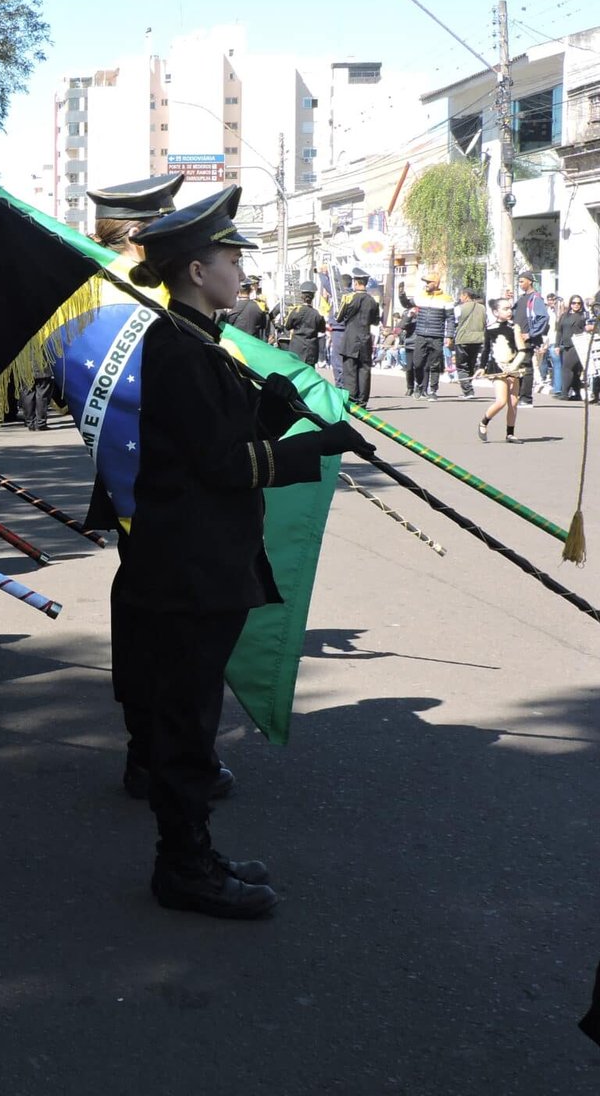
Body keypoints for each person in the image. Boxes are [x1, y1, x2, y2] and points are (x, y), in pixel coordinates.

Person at [111, 186, 374, 919]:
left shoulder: (199, 344)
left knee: (191, 714)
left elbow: (216, 439)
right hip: (189, 566)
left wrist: (269, 409)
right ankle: (183, 866)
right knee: (186, 721)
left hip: (201, 560)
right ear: (197, 269)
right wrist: (308, 448)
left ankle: (193, 852)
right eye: (230, 256)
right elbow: (222, 466)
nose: (239, 267)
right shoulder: (180, 349)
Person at [477, 298, 528, 443]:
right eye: (505, 309)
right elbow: (486, 350)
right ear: (495, 312)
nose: (509, 311)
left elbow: (522, 350)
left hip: (513, 367)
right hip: (496, 368)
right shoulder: (490, 328)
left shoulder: (514, 327)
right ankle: (484, 422)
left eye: (510, 308)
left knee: (513, 402)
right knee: (501, 401)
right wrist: (481, 368)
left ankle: (510, 433)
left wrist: (513, 367)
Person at [336, 271, 382, 407]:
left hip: (351, 338)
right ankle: (363, 401)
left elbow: (339, 317)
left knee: (350, 369)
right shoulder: (373, 301)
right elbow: (375, 321)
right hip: (365, 338)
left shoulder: (349, 298)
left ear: (355, 283)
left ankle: (352, 399)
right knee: (364, 370)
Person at [401, 276, 450, 400]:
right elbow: (407, 304)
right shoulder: (421, 296)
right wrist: (402, 294)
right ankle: (420, 385)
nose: (426, 284)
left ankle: (433, 390)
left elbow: (450, 318)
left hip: (437, 335)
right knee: (417, 364)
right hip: (421, 335)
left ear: (436, 283)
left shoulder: (446, 299)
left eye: (428, 282)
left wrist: (449, 335)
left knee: (434, 365)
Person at [513, 272, 547, 406]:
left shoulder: (535, 298)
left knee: (526, 367)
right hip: (516, 337)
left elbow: (543, 317)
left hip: (526, 339)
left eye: (522, 281)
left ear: (530, 282)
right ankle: (519, 394)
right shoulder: (522, 298)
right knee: (518, 367)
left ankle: (526, 398)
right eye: (519, 282)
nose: (520, 284)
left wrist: (531, 333)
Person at [448, 288, 486, 397]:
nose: (460, 298)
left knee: (461, 365)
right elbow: (485, 322)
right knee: (471, 364)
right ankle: (468, 386)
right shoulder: (483, 308)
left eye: (461, 295)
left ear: (465, 296)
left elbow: (453, 321)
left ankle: (468, 390)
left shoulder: (459, 308)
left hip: (463, 339)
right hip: (478, 339)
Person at [554, 296, 588, 401]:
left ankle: (564, 393)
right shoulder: (565, 316)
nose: (576, 305)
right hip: (566, 345)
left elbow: (588, 329)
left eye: (578, 303)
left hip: (577, 345)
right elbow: (559, 331)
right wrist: (557, 345)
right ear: (570, 304)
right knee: (575, 370)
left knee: (567, 368)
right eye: (573, 303)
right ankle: (577, 394)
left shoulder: (584, 316)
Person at [283, 282, 325, 366]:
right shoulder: (316, 314)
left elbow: (287, 326)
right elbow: (322, 329)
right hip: (311, 349)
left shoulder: (295, 311)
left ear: (302, 296)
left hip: (296, 348)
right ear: (313, 297)